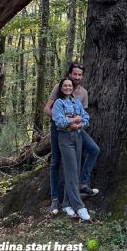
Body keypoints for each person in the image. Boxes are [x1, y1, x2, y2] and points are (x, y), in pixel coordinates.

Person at [44, 62, 100, 215]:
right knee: (56, 161)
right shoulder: (60, 87)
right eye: (74, 74)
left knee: (94, 149)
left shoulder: (83, 93)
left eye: (79, 75)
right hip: (59, 129)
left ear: (82, 76)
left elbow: (82, 115)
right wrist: (62, 121)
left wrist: (75, 124)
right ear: (69, 74)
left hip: (76, 129)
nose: (76, 77)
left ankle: (82, 183)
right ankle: (55, 198)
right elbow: (47, 109)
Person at [51, 78, 91, 220]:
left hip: (78, 136)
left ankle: (67, 204)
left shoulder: (77, 103)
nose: (68, 87)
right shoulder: (58, 103)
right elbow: (59, 121)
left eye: (70, 85)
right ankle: (79, 206)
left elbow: (86, 117)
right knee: (71, 170)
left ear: (73, 88)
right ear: (61, 88)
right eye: (65, 85)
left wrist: (79, 124)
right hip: (65, 137)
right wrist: (74, 120)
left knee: (75, 169)